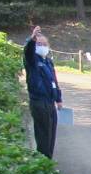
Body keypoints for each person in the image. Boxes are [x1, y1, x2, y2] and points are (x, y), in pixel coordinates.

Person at [23, 25, 63, 158]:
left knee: (51, 134)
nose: (42, 46)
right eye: (39, 44)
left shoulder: (48, 62)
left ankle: (48, 161)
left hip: (50, 103)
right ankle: (43, 161)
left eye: (44, 44)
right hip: (39, 102)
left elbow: (54, 81)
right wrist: (32, 39)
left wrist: (58, 98)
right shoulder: (32, 61)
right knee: (43, 135)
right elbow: (27, 52)